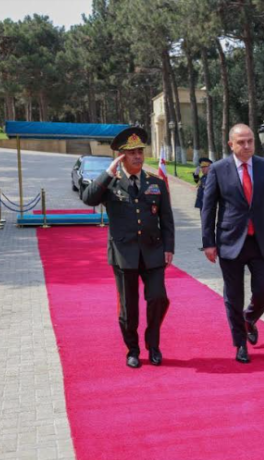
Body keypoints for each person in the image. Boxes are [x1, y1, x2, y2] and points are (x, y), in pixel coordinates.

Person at [82, 127, 175, 369]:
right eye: (132, 152)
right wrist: (107, 173)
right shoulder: (110, 183)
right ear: (121, 156)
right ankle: (132, 349)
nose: (138, 156)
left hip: (153, 251)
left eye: (140, 152)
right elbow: (88, 198)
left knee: (159, 298)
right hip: (124, 255)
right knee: (128, 308)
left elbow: (167, 219)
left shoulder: (155, 183)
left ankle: (152, 344)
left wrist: (169, 247)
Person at [200, 123, 264, 364]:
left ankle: (249, 319)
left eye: (250, 141)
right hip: (230, 242)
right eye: (241, 142)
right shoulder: (218, 169)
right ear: (231, 144)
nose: (247, 146)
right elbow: (209, 208)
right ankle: (240, 344)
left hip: (261, 241)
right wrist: (208, 243)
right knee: (233, 296)